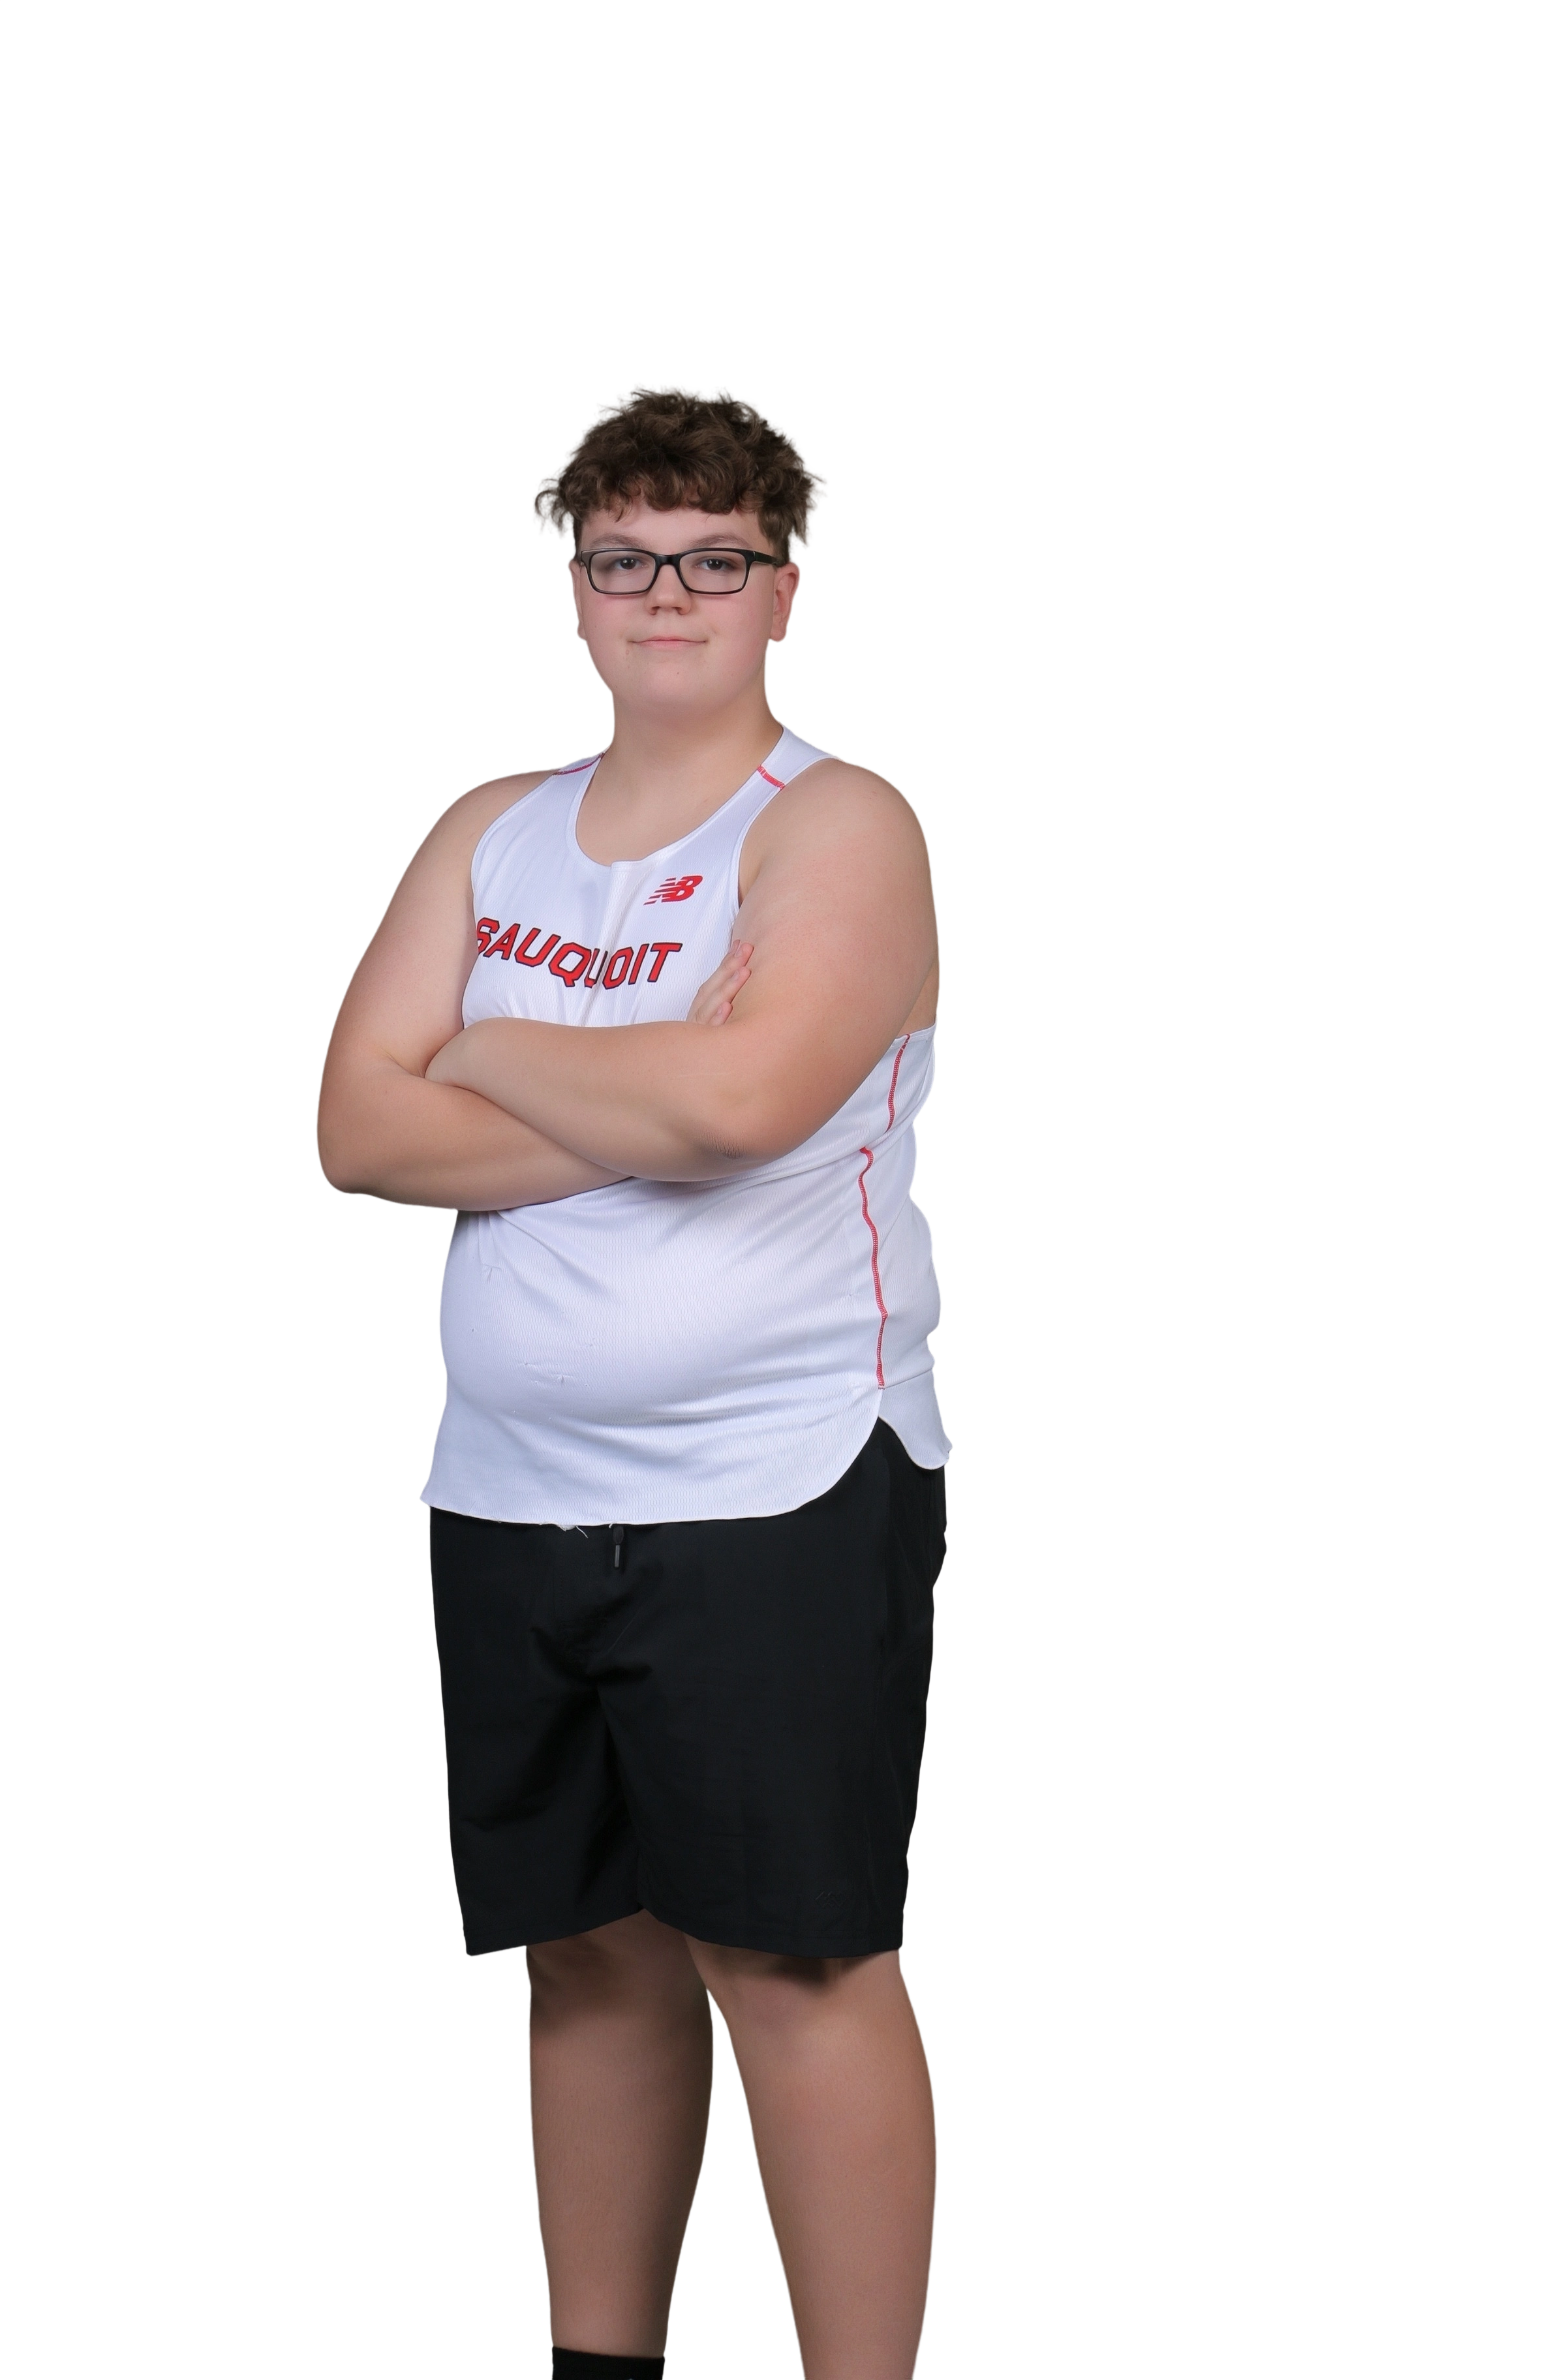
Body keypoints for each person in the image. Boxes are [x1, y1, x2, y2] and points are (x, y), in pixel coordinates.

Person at [314, 380, 952, 2380]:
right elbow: (356, 1132)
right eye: (625, 559)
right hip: (512, 1486)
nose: (667, 594)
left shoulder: (838, 827)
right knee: (584, 1959)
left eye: (715, 560)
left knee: (796, 1961)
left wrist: (486, 1046)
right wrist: (652, 1085)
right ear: (576, 588)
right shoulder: (487, 828)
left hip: (777, 1482)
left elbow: (747, 1105)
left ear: (786, 589)